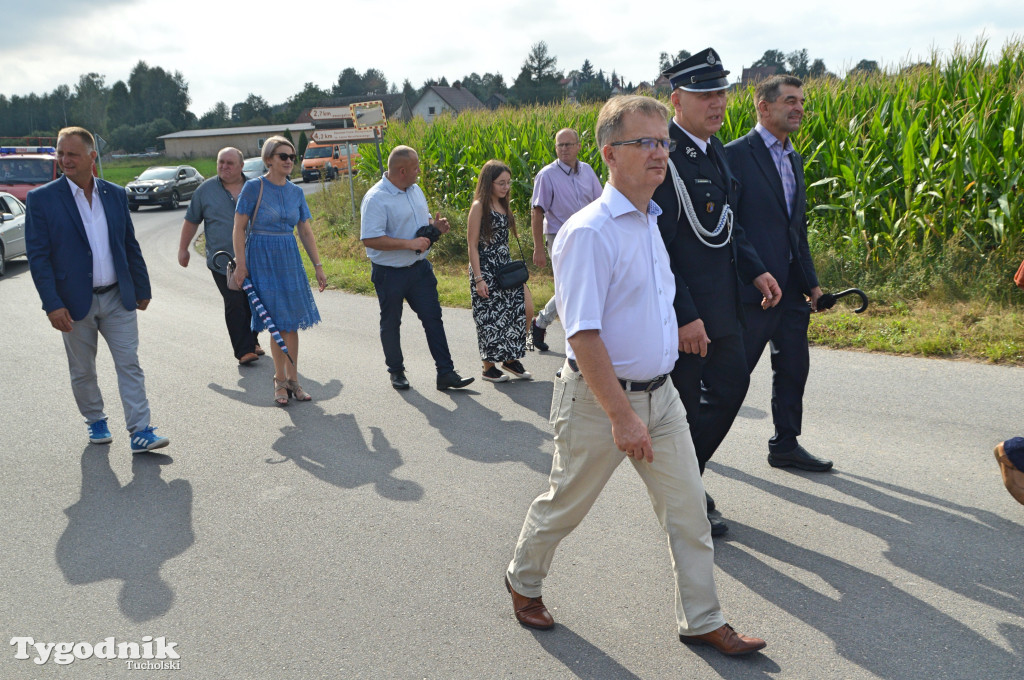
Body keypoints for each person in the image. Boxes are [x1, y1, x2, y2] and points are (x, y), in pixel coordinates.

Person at [505, 95, 766, 657]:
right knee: (565, 505)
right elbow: (584, 335)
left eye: (662, 142)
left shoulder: (652, 219)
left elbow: (651, 303)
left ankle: (702, 618)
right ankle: (523, 580)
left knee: (689, 510)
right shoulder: (588, 233)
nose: (658, 152)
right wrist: (622, 417)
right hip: (600, 403)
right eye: (643, 142)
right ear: (609, 154)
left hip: (662, 397)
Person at [653, 48, 782, 536]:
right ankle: (686, 497)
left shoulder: (714, 151)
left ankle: (687, 479)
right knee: (683, 408)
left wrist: (756, 271)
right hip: (686, 314)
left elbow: (729, 226)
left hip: (724, 308)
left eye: (721, 92)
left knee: (730, 389)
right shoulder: (665, 155)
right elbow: (660, 248)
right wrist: (684, 315)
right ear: (677, 99)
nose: (717, 102)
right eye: (705, 93)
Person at [25, 126, 169, 454]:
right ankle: (95, 419)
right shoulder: (42, 200)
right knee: (83, 368)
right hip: (74, 302)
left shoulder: (115, 194)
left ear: (92, 157)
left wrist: (142, 286)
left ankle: (140, 430)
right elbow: (38, 258)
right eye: (60, 153)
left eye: (72, 154)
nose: (64, 160)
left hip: (118, 296)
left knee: (129, 363)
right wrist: (52, 304)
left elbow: (128, 245)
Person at [725, 75, 833, 473]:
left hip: (788, 291)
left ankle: (785, 444)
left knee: (793, 369)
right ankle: (688, 451)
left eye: (801, 101)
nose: (799, 108)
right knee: (730, 380)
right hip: (751, 291)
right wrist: (754, 273)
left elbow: (796, 229)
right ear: (763, 107)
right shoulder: (735, 155)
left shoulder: (793, 158)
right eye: (790, 100)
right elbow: (728, 225)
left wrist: (813, 285)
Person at [360, 145, 474, 392]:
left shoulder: (415, 190)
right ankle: (396, 372)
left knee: (433, 319)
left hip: (419, 270)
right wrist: (409, 243)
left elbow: (423, 219)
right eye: (415, 168)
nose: (419, 171)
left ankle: (445, 373)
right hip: (389, 273)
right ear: (402, 170)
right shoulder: (376, 198)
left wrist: (435, 226)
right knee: (391, 322)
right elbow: (370, 239)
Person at [231, 136, 326, 406]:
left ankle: (293, 380)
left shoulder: (296, 192)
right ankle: (280, 380)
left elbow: (305, 230)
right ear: (269, 159)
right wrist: (241, 263)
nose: (288, 161)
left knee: (291, 322)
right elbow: (238, 227)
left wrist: (318, 266)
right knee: (276, 323)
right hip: (261, 257)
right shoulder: (254, 188)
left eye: (292, 157)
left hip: (288, 256)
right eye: (283, 156)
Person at [178, 147, 263, 366]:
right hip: (223, 261)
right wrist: (183, 248)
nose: (224, 166)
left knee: (253, 302)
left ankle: (252, 341)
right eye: (220, 162)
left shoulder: (255, 187)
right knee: (235, 301)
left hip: (256, 258)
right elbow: (191, 220)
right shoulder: (205, 190)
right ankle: (243, 350)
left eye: (229, 163)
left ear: (241, 166)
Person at [529, 128, 603, 351]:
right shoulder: (546, 175)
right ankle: (569, 339)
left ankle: (541, 322)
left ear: (579, 146)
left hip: (588, 236)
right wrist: (538, 248)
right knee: (569, 287)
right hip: (560, 238)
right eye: (560, 145)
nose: (564, 149)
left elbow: (600, 203)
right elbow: (537, 212)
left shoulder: (588, 171)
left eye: (568, 144)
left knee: (585, 285)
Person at [468, 160, 532, 383]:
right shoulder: (479, 206)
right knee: (490, 318)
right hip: (485, 268)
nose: (506, 187)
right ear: (489, 183)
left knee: (523, 308)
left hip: (504, 266)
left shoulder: (504, 204)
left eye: (508, 182)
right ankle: (488, 368)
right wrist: (478, 279)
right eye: (501, 183)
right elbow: (472, 245)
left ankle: (510, 358)